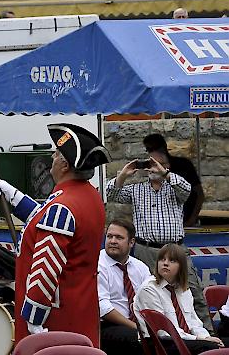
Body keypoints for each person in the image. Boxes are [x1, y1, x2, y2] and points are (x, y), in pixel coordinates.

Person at [0, 123, 111, 346]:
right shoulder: (90, 197)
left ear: (64, 164)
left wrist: (33, 316)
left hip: (55, 315)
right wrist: (15, 196)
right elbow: (47, 219)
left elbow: (46, 265)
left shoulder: (63, 205)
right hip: (81, 305)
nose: (52, 159)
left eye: (55, 154)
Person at [106, 150, 212, 331]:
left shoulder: (176, 188)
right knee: (151, 291)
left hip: (175, 249)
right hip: (146, 250)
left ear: (166, 167)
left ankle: (208, 336)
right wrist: (123, 174)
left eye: (157, 164)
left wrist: (164, 173)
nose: (153, 168)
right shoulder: (136, 189)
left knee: (192, 291)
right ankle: (157, 334)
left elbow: (187, 190)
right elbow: (111, 193)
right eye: (150, 165)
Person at [134, 244, 227, 354]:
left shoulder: (183, 288)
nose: (165, 263)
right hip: (159, 342)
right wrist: (198, 339)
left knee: (220, 344)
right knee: (209, 348)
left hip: (184, 338)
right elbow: (163, 331)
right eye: (162, 259)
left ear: (181, 266)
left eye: (172, 261)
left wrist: (205, 337)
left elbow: (194, 322)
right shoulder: (149, 289)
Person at [98, 218, 151, 355]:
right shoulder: (98, 264)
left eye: (119, 237)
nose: (113, 241)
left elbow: (152, 299)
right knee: (140, 340)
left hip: (139, 324)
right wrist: (136, 327)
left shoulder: (141, 267)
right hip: (108, 326)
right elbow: (103, 307)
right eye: (109, 236)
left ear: (131, 242)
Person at [143, 133, 205, 227]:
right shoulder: (151, 169)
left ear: (163, 147)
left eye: (154, 149)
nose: (152, 153)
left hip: (185, 220)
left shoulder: (184, 165)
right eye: (149, 150)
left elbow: (199, 194)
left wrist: (191, 220)